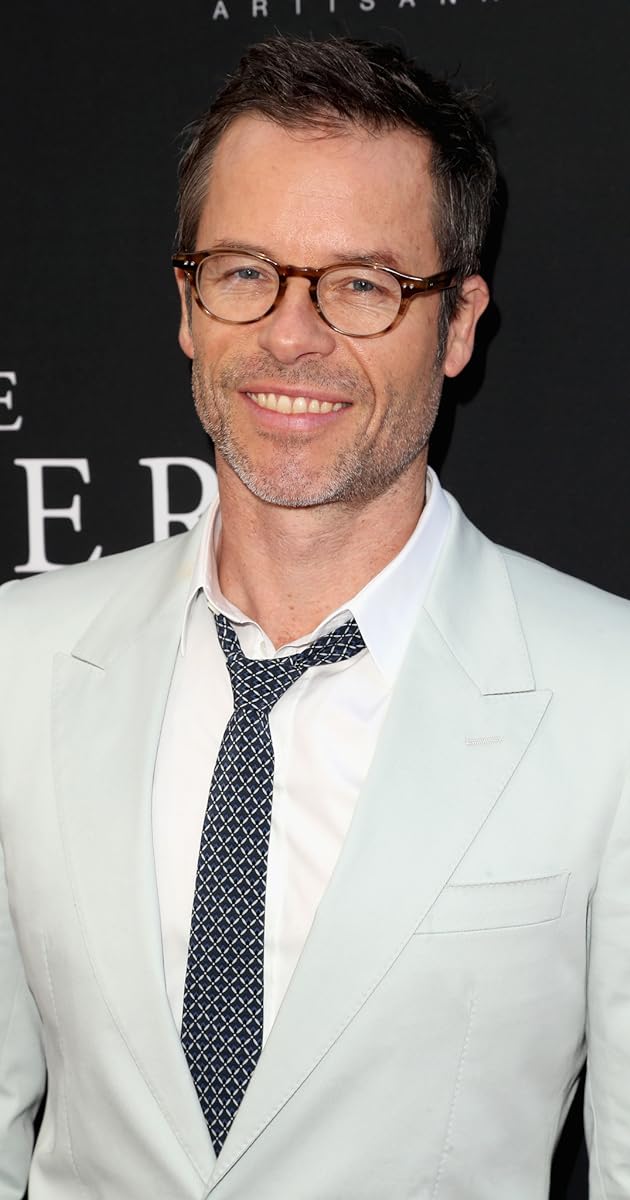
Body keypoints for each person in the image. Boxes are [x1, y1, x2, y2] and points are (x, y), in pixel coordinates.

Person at [0, 34, 628, 1200]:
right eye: (246, 271)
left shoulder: (609, 700)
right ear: (188, 305)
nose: (292, 335)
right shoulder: (17, 660)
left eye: (362, 284)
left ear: (458, 324)